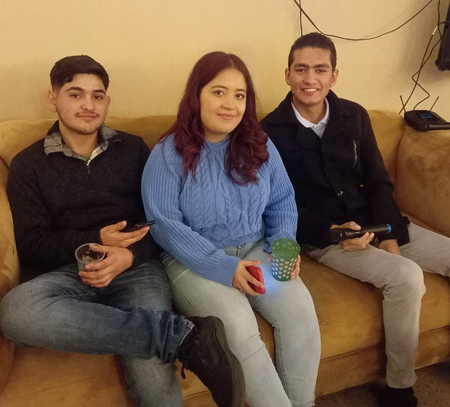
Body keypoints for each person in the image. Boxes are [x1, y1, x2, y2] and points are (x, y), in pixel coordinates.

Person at [0, 55, 245, 407]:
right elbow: (31, 243)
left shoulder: (133, 150)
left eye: (97, 96)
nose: (88, 105)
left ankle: (161, 337)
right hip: (70, 272)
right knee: (15, 312)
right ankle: (181, 338)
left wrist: (128, 255)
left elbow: (163, 221)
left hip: (137, 268)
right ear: (52, 99)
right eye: (75, 94)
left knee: (151, 375)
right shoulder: (28, 165)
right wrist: (94, 241)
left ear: (107, 101)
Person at [261, 32, 450, 407]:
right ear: (287, 74)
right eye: (301, 69)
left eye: (320, 69)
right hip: (324, 236)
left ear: (334, 75)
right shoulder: (269, 131)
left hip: (378, 221)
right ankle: (400, 388)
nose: (310, 79)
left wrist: (390, 235)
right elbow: (276, 204)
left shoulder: (354, 116)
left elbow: (379, 181)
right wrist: (331, 232)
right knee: (406, 276)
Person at [142, 51, 321, 407]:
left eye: (239, 95)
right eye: (218, 92)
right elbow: (164, 224)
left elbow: (282, 201)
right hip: (193, 262)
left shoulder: (260, 143)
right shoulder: (167, 153)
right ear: (196, 95)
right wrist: (224, 267)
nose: (230, 104)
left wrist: (282, 244)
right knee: (238, 329)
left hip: (256, 252)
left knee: (300, 314)